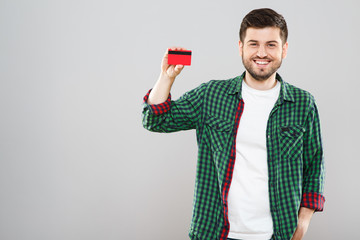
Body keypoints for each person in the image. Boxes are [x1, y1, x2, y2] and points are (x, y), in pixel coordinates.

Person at [142, 8, 325, 240]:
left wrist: (303, 223)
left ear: (284, 49)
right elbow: (155, 120)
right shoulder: (212, 95)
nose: (262, 52)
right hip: (216, 232)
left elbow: (314, 163)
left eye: (271, 44)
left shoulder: (302, 103)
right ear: (240, 47)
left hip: (279, 233)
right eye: (253, 44)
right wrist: (166, 77)